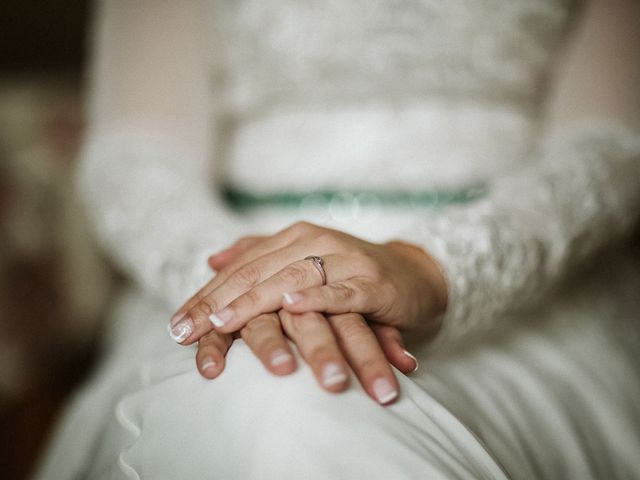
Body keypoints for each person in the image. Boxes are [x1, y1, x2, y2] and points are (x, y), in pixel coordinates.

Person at [36, 0, 640, 478]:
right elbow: (136, 153)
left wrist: (436, 269)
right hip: (222, 249)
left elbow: (610, 147)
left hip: (522, 298)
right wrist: (246, 292)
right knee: (269, 398)